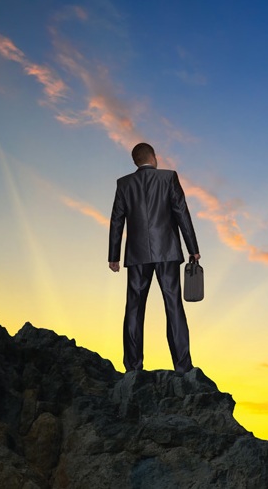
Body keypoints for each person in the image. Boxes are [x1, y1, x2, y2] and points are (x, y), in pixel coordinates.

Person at [108, 142, 200, 373]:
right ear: (154, 157)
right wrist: (193, 248)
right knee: (173, 305)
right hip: (167, 250)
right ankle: (183, 366)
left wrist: (114, 255)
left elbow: (117, 220)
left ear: (135, 161)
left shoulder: (124, 184)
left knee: (133, 308)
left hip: (137, 254)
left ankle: (133, 367)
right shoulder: (169, 178)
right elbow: (181, 213)